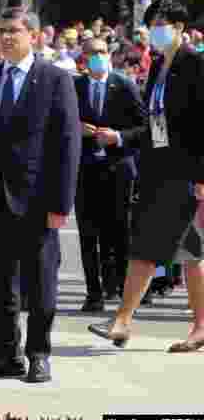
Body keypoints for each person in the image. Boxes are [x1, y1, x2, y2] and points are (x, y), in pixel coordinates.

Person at [0, 7, 81, 384]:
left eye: (14, 31)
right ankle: (5, 355)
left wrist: (61, 203)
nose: (6, 37)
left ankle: (38, 354)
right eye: (1, 31)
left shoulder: (55, 79)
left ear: (34, 35)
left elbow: (67, 144)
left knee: (41, 283)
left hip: (38, 200)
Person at [89, 0, 204, 352]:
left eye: (160, 25)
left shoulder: (195, 65)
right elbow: (155, 126)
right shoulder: (157, 66)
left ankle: (122, 320)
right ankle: (201, 325)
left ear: (180, 28)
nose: (154, 31)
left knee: (146, 246)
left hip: (183, 171)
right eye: (151, 24)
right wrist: (121, 137)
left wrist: (201, 175)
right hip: (157, 169)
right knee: (189, 252)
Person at [73, 37, 146, 313]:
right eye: (92, 53)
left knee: (118, 231)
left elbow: (143, 127)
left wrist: (117, 137)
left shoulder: (124, 85)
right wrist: (75, 127)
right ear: (83, 58)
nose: (97, 57)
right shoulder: (74, 86)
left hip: (118, 169)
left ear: (110, 55)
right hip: (86, 168)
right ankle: (94, 292)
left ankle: (119, 288)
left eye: (102, 52)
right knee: (88, 233)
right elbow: (57, 122)